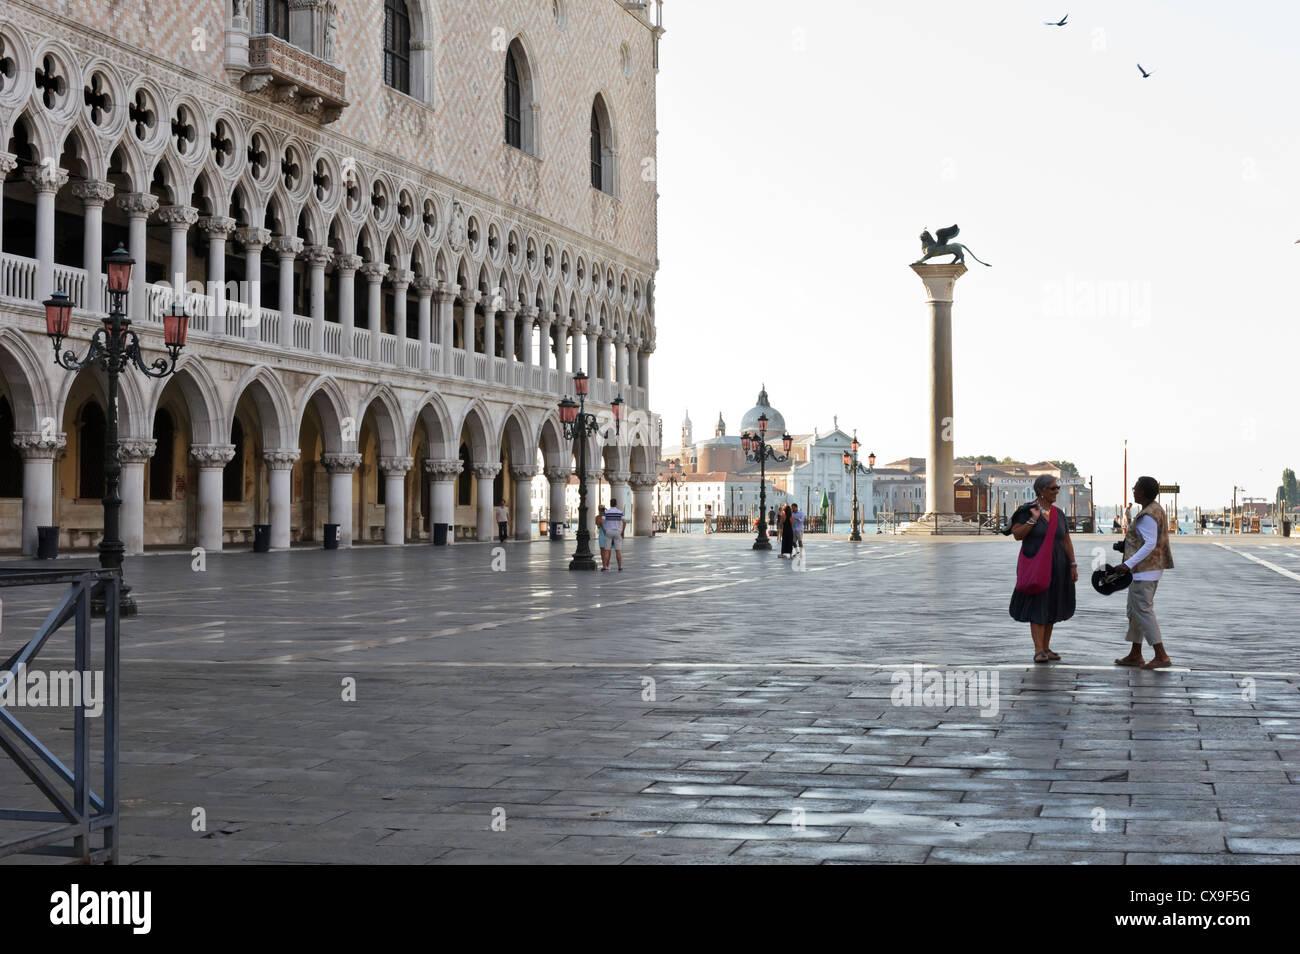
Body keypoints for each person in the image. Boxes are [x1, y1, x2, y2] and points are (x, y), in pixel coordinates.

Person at [1006, 475, 1078, 663]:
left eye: (1057, 488)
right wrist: (1032, 520)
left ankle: (1046, 647)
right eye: (1053, 488)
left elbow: (1066, 540)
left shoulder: (1059, 513)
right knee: (1038, 604)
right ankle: (1038, 649)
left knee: (1051, 604)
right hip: (1037, 565)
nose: (1056, 491)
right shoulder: (1027, 511)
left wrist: (1073, 564)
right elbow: (1017, 535)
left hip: (1059, 565)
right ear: (1041, 491)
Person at [1114, 476, 1175, 669]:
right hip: (1149, 569)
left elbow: (1150, 543)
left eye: (1136, 488)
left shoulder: (1147, 515)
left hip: (1143, 570)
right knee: (1135, 612)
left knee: (1143, 611)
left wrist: (1127, 564)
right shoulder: (1156, 509)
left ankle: (1161, 655)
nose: (1133, 490)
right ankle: (1135, 653)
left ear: (1142, 492)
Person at [603, 498, 625, 571]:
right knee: (618, 550)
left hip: (608, 531)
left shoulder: (606, 512)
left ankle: (605, 566)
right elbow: (624, 522)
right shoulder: (620, 512)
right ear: (616, 504)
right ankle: (620, 567)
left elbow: (602, 521)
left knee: (607, 550)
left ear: (610, 504)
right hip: (617, 532)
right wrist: (622, 531)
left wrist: (604, 530)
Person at [596, 504, 609, 570]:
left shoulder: (597, 517)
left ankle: (604, 565)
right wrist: (606, 510)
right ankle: (607, 565)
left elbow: (598, 526)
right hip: (607, 534)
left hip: (601, 534)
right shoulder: (607, 516)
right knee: (607, 550)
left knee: (602, 551)